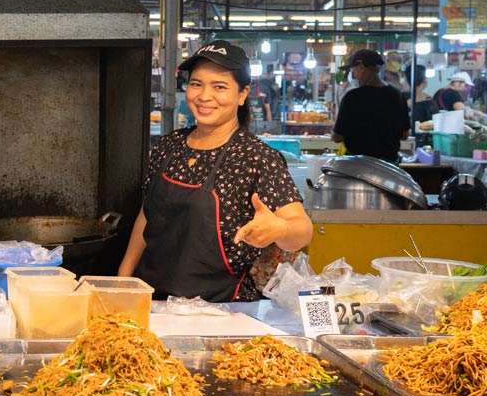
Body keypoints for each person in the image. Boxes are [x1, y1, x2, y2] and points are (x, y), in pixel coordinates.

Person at [118, 40, 312, 302]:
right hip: (153, 302)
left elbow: (302, 230)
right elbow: (147, 215)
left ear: (242, 94)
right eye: (196, 84)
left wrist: (279, 230)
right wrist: (122, 279)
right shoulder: (168, 145)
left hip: (222, 310)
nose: (204, 96)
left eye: (219, 87)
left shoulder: (257, 157)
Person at [331, 50, 409, 164]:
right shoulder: (397, 95)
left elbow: (337, 137)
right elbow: (404, 135)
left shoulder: (352, 97)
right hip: (389, 166)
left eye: (353, 69)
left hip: (358, 166)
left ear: (361, 67)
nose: (353, 74)